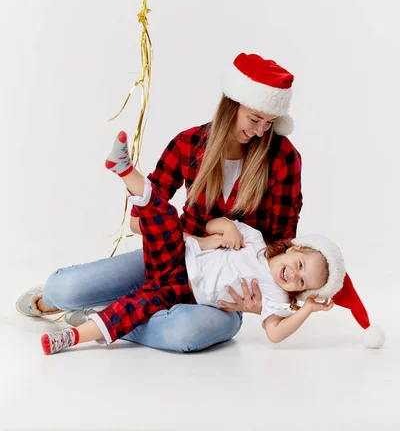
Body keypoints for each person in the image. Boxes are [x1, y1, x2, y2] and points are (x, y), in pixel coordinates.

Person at [17, 53, 304, 352]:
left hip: (219, 291)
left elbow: (280, 243)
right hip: (172, 255)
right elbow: (137, 220)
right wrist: (194, 241)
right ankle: (78, 309)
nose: (260, 131)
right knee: (64, 289)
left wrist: (262, 303)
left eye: (269, 123)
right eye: (254, 119)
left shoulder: (283, 158)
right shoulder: (190, 143)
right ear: (231, 105)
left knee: (183, 333)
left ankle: (98, 321)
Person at [41, 132, 384, 355]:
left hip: (186, 294)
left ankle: (77, 333)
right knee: (163, 219)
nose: (293, 276)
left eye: (302, 282)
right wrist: (223, 229)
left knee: (152, 316)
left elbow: (275, 334)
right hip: (183, 253)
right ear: (293, 249)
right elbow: (212, 224)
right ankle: (126, 172)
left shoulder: (277, 295)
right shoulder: (256, 242)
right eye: (298, 266)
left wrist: (307, 308)